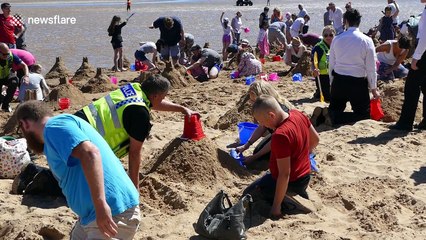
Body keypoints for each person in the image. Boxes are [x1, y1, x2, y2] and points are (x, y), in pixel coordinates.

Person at [16, 101, 140, 239]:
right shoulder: (56, 133)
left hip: (113, 212)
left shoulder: (53, 127)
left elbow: (90, 153)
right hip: (90, 216)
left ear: (25, 124)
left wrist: (100, 205)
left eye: (19, 130)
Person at [73, 75, 195, 190]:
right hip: (83, 140)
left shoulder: (133, 89)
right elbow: (134, 153)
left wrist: (181, 109)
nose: (164, 100)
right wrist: (134, 186)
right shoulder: (140, 114)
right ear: (155, 96)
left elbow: (154, 102)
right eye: (163, 97)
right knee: (61, 183)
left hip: (74, 123)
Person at [242, 95, 320, 219]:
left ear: (271, 115)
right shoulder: (298, 114)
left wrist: (276, 207)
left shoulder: (280, 135)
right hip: (305, 175)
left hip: (292, 182)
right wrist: (302, 155)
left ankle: (287, 201)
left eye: (262, 122)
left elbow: (284, 175)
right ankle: (293, 194)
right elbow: (315, 139)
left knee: (249, 194)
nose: (264, 126)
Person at [315, 9, 380, 126]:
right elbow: (371, 67)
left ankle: (324, 116)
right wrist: (373, 88)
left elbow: (332, 65)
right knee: (363, 114)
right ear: (359, 21)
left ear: (345, 21)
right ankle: (333, 116)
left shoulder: (337, 39)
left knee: (336, 107)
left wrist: (332, 83)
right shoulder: (367, 40)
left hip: (339, 81)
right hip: (357, 83)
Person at [236, 81, 294, 170]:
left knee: (259, 161)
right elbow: (262, 127)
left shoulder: (278, 111)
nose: (252, 104)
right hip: (276, 135)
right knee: (257, 151)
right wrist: (246, 145)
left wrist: (254, 157)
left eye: (254, 101)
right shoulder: (267, 108)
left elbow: (277, 138)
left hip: (288, 139)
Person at [391, 0, 426, 131]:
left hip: (423, 54)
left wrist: (416, 58)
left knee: (411, 88)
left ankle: (405, 123)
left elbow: (424, 38)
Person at [0, 43, 29, 112]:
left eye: (7, 54)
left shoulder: (10, 55)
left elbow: (24, 65)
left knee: (14, 81)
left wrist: (26, 76)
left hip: (6, 74)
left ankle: (5, 105)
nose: (6, 56)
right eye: (4, 54)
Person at [311, 26, 335, 103]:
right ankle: (318, 92)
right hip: (322, 76)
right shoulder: (318, 48)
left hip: (334, 75)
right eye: (325, 35)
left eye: (331, 35)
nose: (328, 37)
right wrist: (314, 71)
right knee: (329, 98)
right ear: (323, 36)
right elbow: (312, 62)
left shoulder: (336, 45)